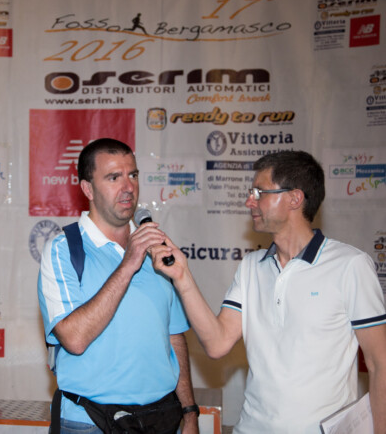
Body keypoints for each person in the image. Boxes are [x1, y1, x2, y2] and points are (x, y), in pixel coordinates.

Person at [152, 150, 386, 434]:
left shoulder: (350, 265)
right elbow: (217, 343)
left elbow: (380, 363)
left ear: (294, 198)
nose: (249, 201)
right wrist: (182, 277)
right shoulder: (251, 266)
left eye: (259, 192)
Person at [38, 138, 199, 433]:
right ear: (88, 189)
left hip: (162, 418)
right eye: (114, 177)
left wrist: (189, 412)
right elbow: (74, 339)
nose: (128, 187)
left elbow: (174, 335)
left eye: (132, 175)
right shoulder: (64, 250)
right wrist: (128, 264)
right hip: (89, 422)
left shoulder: (157, 249)